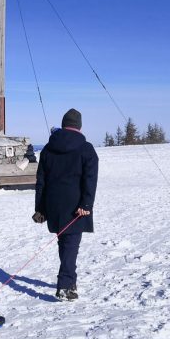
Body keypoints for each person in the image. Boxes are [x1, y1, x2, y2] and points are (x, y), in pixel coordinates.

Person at [33, 108, 98, 301]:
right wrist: (86, 203)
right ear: (79, 126)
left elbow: (40, 181)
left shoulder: (47, 148)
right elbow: (90, 179)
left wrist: (40, 208)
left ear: (63, 125)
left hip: (53, 204)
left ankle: (70, 279)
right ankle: (65, 285)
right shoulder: (86, 148)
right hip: (75, 205)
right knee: (70, 244)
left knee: (65, 242)